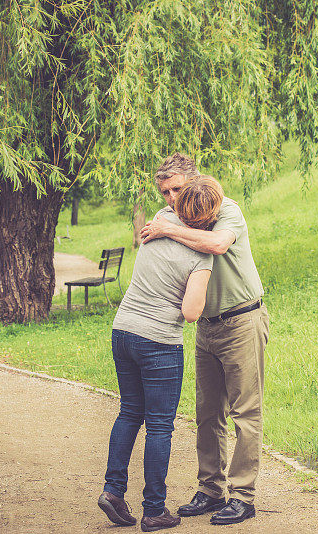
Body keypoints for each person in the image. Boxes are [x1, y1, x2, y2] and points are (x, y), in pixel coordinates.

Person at [140, 153, 269, 526]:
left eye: (177, 189)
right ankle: (211, 489)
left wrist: (169, 229)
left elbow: (217, 245)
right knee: (207, 412)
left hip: (242, 320)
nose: (171, 198)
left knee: (245, 411)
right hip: (206, 326)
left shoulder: (228, 209)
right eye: (165, 192)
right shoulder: (170, 217)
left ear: (196, 183)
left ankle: (242, 496)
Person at [98, 176, 224, 532]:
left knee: (128, 413)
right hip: (159, 342)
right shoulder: (201, 256)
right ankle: (154, 511)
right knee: (158, 426)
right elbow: (191, 312)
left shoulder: (159, 222)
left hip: (123, 330)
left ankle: (113, 491)